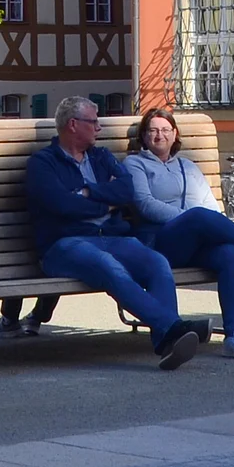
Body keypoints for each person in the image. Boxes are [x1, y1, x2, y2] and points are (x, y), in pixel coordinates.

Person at [24, 95, 206, 369]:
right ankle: (173, 328)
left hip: (110, 237)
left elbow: (126, 190)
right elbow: (62, 206)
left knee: (157, 262)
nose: (99, 128)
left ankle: (166, 342)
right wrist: (104, 203)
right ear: (73, 125)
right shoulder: (43, 164)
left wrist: (88, 193)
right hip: (63, 245)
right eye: (93, 122)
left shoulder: (100, 156)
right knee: (110, 267)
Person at [122, 108, 234, 360]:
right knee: (197, 216)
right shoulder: (134, 164)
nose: (159, 135)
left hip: (194, 243)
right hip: (160, 245)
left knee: (229, 254)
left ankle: (233, 336)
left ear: (175, 134)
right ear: (143, 136)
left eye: (165, 130)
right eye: (152, 130)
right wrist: (189, 220)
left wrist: (201, 224)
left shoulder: (188, 166)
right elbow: (145, 204)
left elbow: (212, 209)